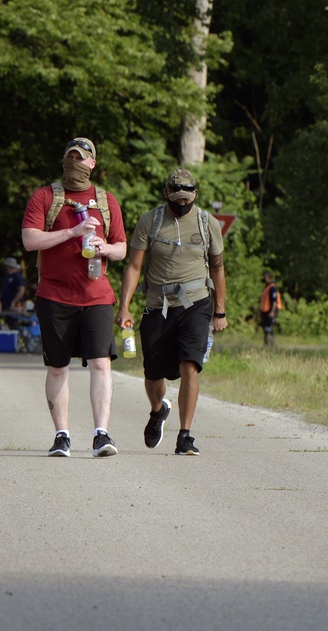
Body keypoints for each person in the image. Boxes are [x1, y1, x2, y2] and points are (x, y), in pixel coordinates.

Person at [21, 137, 127, 458]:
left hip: (97, 296)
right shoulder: (45, 197)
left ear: (92, 164)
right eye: (70, 157)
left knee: (100, 363)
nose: (75, 163)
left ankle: (101, 434)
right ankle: (62, 435)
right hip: (54, 295)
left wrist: (105, 248)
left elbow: (122, 247)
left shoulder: (106, 201)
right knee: (57, 367)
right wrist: (72, 233)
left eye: (81, 158)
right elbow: (29, 240)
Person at [115, 168, 228, 456]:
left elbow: (217, 268)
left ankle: (185, 435)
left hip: (196, 304)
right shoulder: (150, 221)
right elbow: (135, 266)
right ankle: (157, 410)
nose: (181, 205)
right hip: (157, 306)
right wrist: (124, 306)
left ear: (195, 195)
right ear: (167, 194)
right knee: (153, 374)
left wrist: (220, 311)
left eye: (186, 200)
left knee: (190, 364)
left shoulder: (207, 223)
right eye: (176, 200)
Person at [259, 270, 282, 346]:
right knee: (266, 327)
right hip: (265, 311)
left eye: (265, 277)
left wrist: (272, 311)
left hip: (270, 311)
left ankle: (270, 343)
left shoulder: (272, 288)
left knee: (268, 327)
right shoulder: (267, 287)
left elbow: (274, 301)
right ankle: (268, 343)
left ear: (268, 278)